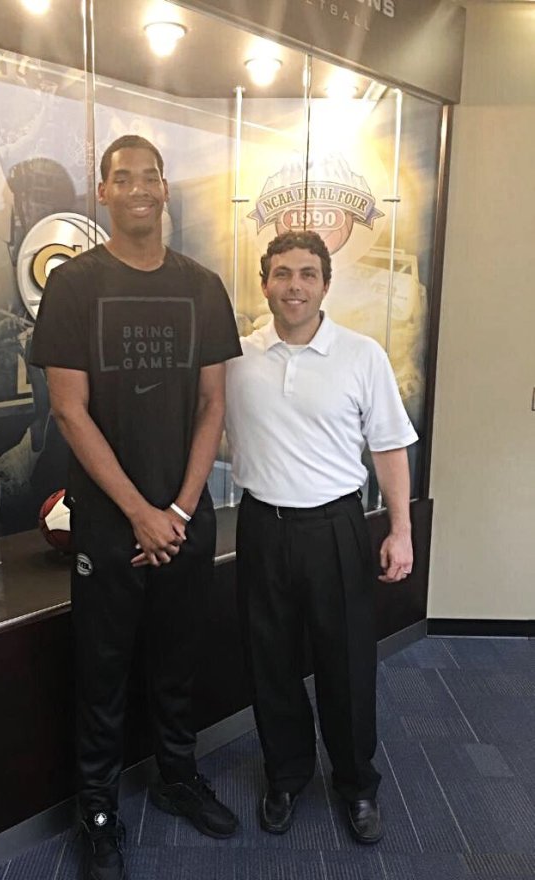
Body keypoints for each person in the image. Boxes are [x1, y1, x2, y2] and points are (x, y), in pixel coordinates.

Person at [30, 135, 242, 880]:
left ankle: (178, 776)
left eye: (151, 176)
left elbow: (214, 403)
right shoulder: (75, 287)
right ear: (103, 193)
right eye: (124, 178)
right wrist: (140, 515)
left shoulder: (203, 286)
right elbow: (69, 411)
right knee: (104, 669)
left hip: (185, 519)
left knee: (180, 658)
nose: (140, 189)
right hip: (110, 523)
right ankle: (96, 808)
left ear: (165, 189)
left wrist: (179, 512)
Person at [225, 231, 418, 845]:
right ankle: (286, 776)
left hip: (335, 527)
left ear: (326, 285)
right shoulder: (237, 357)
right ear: (265, 284)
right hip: (261, 527)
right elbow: (209, 426)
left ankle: (357, 785)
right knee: (270, 664)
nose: (295, 287)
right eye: (282, 274)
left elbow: (388, 445)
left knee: (348, 665)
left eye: (308, 274)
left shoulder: (362, 355)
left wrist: (401, 530)